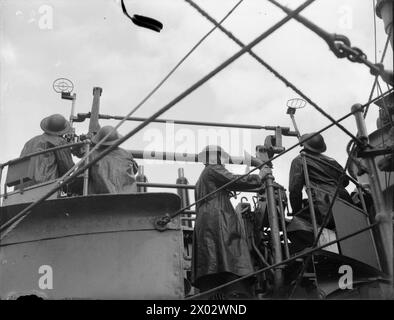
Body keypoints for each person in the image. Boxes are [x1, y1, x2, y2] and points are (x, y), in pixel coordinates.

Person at [191, 145, 263, 299]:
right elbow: (233, 179)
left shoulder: (202, 178)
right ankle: (234, 288)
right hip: (218, 216)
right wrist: (260, 176)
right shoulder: (213, 169)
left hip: (205, 219)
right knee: (231, 252)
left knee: (212, 257)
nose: (223, 161)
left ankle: (215, 289)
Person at [287, 133, 353, 252]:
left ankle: (314, 254)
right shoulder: (331, 161)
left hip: (323, 207)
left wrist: (296, 212)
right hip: (347, 204)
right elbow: (345, 181)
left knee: (294, 226)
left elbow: (294, 190)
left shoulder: (300, 160)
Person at [19, 114, 75, 187]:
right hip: (45, 184)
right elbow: (67, 168)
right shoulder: (59, 142)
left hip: (21, 187)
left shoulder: (30, 142)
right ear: (62, 131)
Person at [88, 126, 138, 194]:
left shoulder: (91, 155)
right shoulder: (127, 154)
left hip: (101, 199)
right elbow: (134, 170)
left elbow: (77, 180)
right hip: (128, 198)